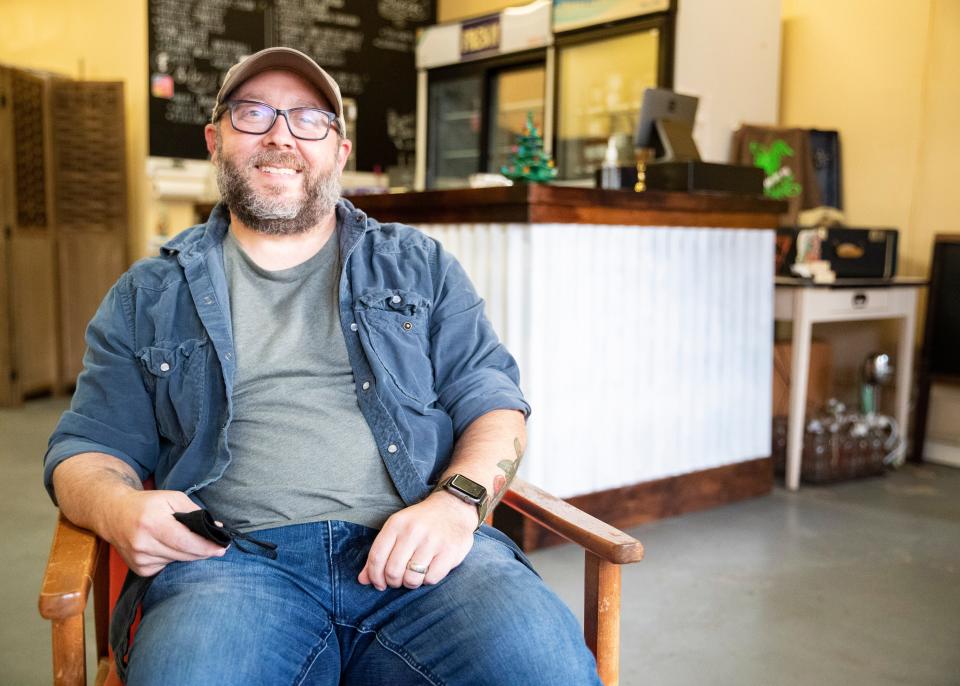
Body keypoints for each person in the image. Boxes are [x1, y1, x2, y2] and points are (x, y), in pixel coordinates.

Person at [44, 47, 600, 685]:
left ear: (339, 150)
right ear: (215, 139)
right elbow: (87, 448)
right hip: (231, 568)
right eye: (253, 113)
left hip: (421, 563)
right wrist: (118, 509)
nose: (281, 134)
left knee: (542, 669)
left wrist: (455, 506)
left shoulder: (419, 266)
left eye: (309, 118)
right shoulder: (147, 294)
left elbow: (493, 402)